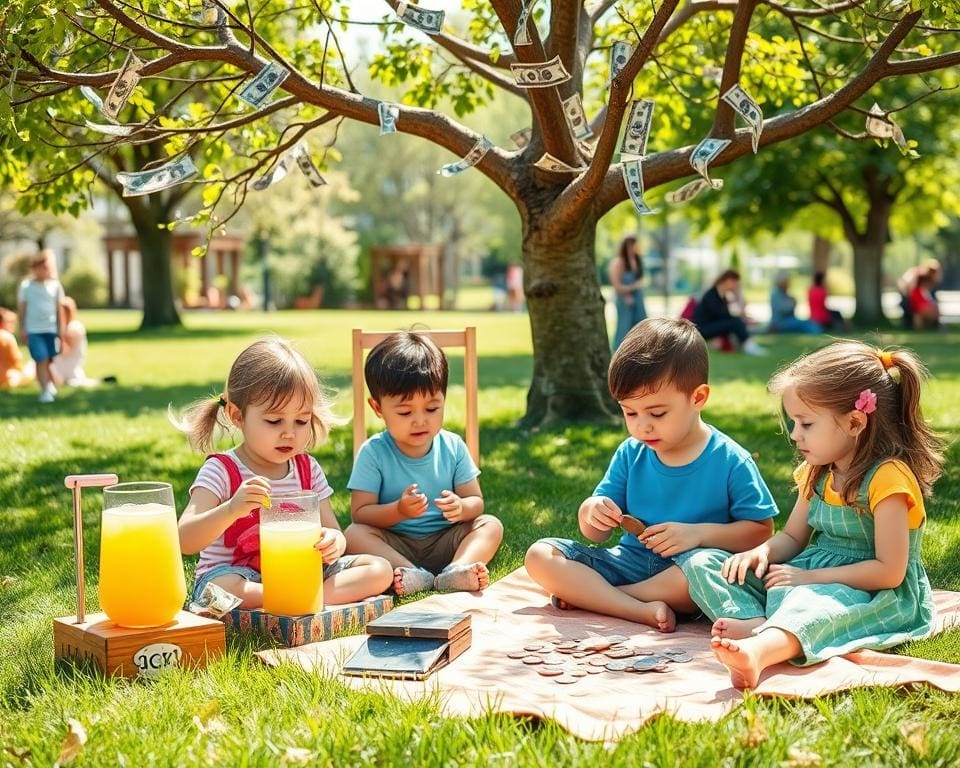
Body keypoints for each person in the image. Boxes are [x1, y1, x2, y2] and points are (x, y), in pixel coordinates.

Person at [684, 341, 944, 689]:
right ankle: (758, 621)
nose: (794, 434)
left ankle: (758, 651)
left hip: (872, 592)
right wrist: (760, 553)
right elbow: (792, 538)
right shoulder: (817, 471)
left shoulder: (887, 479)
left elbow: (890, 572)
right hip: (809, 574)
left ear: (854, 422)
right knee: (705, 562)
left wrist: (808, 580)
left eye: (806, 423)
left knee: (811, 603)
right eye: (794, 422)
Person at [524, 318, 779, 632]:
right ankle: (634, 609)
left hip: (688, 573)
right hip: (628, 563)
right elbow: (595, 535)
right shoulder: (631, 453)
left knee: (698, 573)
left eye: (657, 413)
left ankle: (597, 598)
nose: (642, 426)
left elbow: (760, 531)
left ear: (698, 397)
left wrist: (697, 535)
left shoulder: (730, 459)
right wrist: (593, 512)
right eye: (630, 413)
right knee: (540, 555)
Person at [173, 337, 393, 609]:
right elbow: (185, 540)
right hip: (241, 577)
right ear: (237, 415)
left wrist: (333, 542)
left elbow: (335, 532)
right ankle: (295, 599)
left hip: (300, 571)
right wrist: (231, 509)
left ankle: (300, 598)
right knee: (217, 588)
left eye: (301, 421)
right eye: (274, 421)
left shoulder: (307, 470)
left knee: (378, 568)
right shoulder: (221, 470)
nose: (289, 432)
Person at [344, 331, 504, 596]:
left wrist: (460, 507)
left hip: (446, 539)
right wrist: (399, 510)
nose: (420, 420)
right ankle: (410, 573)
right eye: (405, 412)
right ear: (377, 408)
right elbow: (360, 513)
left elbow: (476, 502)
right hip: (396, 543)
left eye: (432, 408)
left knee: (490, 524)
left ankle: (456, 570)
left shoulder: (452, 446)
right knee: (354, 534)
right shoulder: (373, 452)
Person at [16, 249, 65, 403]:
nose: (43, 271)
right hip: (34, 330)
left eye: (45, 267)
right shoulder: (26, 286)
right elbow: (22, 309)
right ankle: (44, 391)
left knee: (49, 359)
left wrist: (61, 332)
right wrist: (22, 328)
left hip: (51, 329)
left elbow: (59, 310)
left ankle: (48, 384)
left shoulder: (55, 286)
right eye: (39, 267)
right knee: (40, 358)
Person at [692, 269, 767, 355]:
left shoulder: (722, 295)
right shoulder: (711, 295)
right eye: (735, 283)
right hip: (702, 330)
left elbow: (725, 315)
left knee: (736, 321)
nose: (736, 286)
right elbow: (722, 315)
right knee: (735, 322)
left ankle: (747, 344)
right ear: (728, 280)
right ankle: (748, 346)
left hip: (709, 327)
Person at [609, 236, 647, 349]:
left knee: (641, 327)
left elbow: (641, 280)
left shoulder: (637, 260)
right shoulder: (618, 262)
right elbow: (617, 286)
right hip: (624, 301)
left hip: (638, 300)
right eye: (632, 245)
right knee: (623, 330)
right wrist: (632, 288)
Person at [50, 297, 96, 387]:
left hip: (69, 365)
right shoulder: (66, 327)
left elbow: (66, 351)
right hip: (63, 363)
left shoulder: (74, 327)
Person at [898, 259, 941, 330]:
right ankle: (921, 327)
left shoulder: (927, 279)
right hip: (913, 299)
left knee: (933, 308)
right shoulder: (916, 273)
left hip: (918, 299)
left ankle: (929, 326)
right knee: (922, 311)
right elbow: (906, 285)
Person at [0, 307, 35, 389]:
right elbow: (16, 361)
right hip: (7, 377)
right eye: (10, 322)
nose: (13, 326)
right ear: (2, 322)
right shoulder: (7, 337)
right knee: (32, 366)